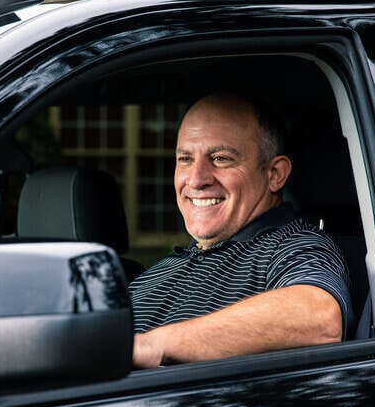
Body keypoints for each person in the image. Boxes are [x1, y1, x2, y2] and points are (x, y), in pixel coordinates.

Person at [129, 93, 352, 369]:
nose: (196, 179)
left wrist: (156, 345)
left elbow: (319, 318)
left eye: (221, 158)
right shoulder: (153, 275)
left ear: (275, 174)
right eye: (185, 159)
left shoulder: (295, 245)